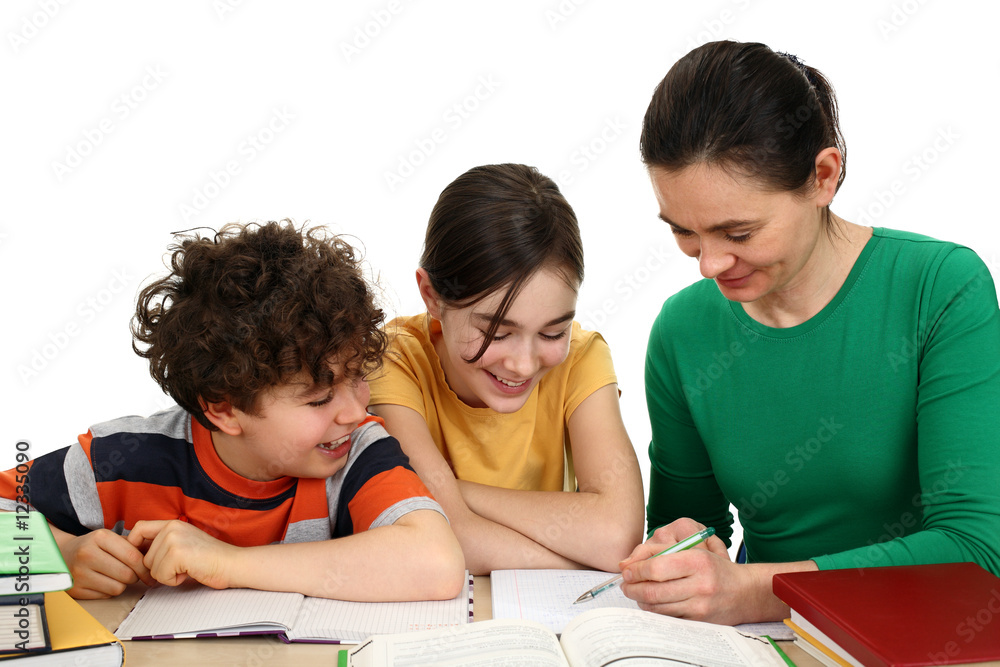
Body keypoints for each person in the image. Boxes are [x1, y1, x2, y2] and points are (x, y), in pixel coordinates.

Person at [618, 41, 1000, 624]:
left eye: (738, 233)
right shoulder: (683, 329)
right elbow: (693, 531)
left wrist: (751, 590)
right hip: (767, 641)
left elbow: (977, 554)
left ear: (823, 177)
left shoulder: (940, 287)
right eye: (684, 233)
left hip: (929, 634)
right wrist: (677, 560)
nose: (708, 264)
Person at [0, 220, 465, 601]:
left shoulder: (357, 450)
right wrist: (59, 554)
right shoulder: (122, 458)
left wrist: (225, 561)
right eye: (320, 399)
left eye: (357, 376)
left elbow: (437, 564)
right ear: (223, 409)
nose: (353, 410)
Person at [368, 163, 645, 574]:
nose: (523, 364)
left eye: (553, 333)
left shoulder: (582, 357)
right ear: (432, 296)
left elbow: (616, 535)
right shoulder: (395, 360)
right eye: (497, 333)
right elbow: (446, 535)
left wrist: (451, 491)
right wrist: (580, 560)